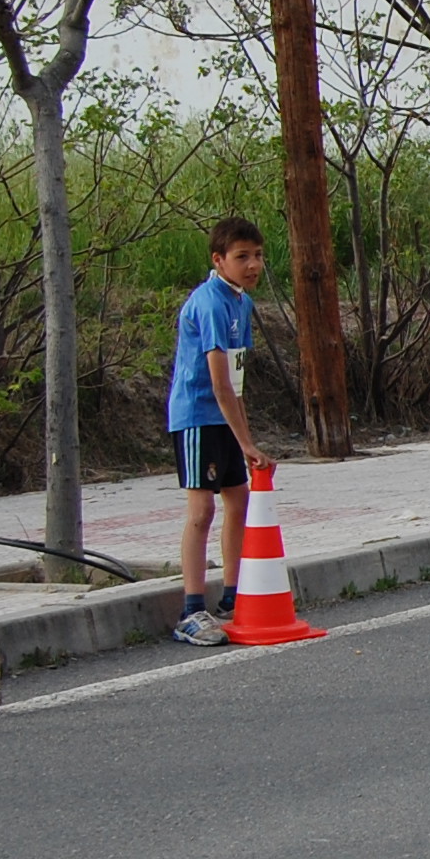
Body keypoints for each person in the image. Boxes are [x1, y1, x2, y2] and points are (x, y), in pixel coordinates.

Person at [167, 216, 268, 649]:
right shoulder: (209, 303)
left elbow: (238, 379)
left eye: (258, 256)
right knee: (201, 511)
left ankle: (232, 595)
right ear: (218, 260)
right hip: (197, 416)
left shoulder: (241, 302)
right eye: (241, 257)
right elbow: (218, 380)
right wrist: (246, 440)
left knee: (239, 500)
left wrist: (246, 436)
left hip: (225, 417)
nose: (252, 265)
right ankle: (191, 609)